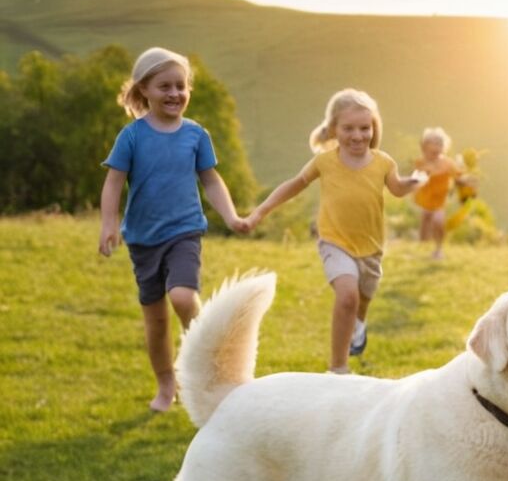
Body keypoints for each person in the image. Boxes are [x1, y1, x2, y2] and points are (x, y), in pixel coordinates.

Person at [98, 46, 248, 413]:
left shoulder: (196, 135)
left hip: (184, 231)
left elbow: (210, 180)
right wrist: (109, 224)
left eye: (181, 86)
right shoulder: (131, 136)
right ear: (144, 90)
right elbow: (113, 182)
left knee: (182, 297)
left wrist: (231, 216)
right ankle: (167, 384)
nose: (175, 93)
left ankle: (207, 353)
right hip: (143, 239)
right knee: (156, 319)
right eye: (164, 86)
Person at [243, 89, 425, 373]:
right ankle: (338, 368)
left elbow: (397, 189)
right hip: (334, 241)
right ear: (333, 130)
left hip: (371, 247)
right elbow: (294, 184)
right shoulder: (325, 162)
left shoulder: (383, 162)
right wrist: (261, 211)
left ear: (374, 128)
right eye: (348, 128)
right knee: (348, 296)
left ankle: (359, 325)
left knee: (362, 299)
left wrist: (412, 182)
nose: (357, 136)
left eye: (364, 128)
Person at [411, 127, 462, 259]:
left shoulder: (447, 163)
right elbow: (416, 179)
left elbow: (458, 177)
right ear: (424, 148)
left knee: (438, 221)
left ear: (443, 148)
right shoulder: (420, 162)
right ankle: (423, 248)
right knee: (425, 226)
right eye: (432, 144)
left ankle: (438, 249)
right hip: (425, 200)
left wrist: (466, 181)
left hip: (439, 201)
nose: (436, 148)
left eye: (439, 144)